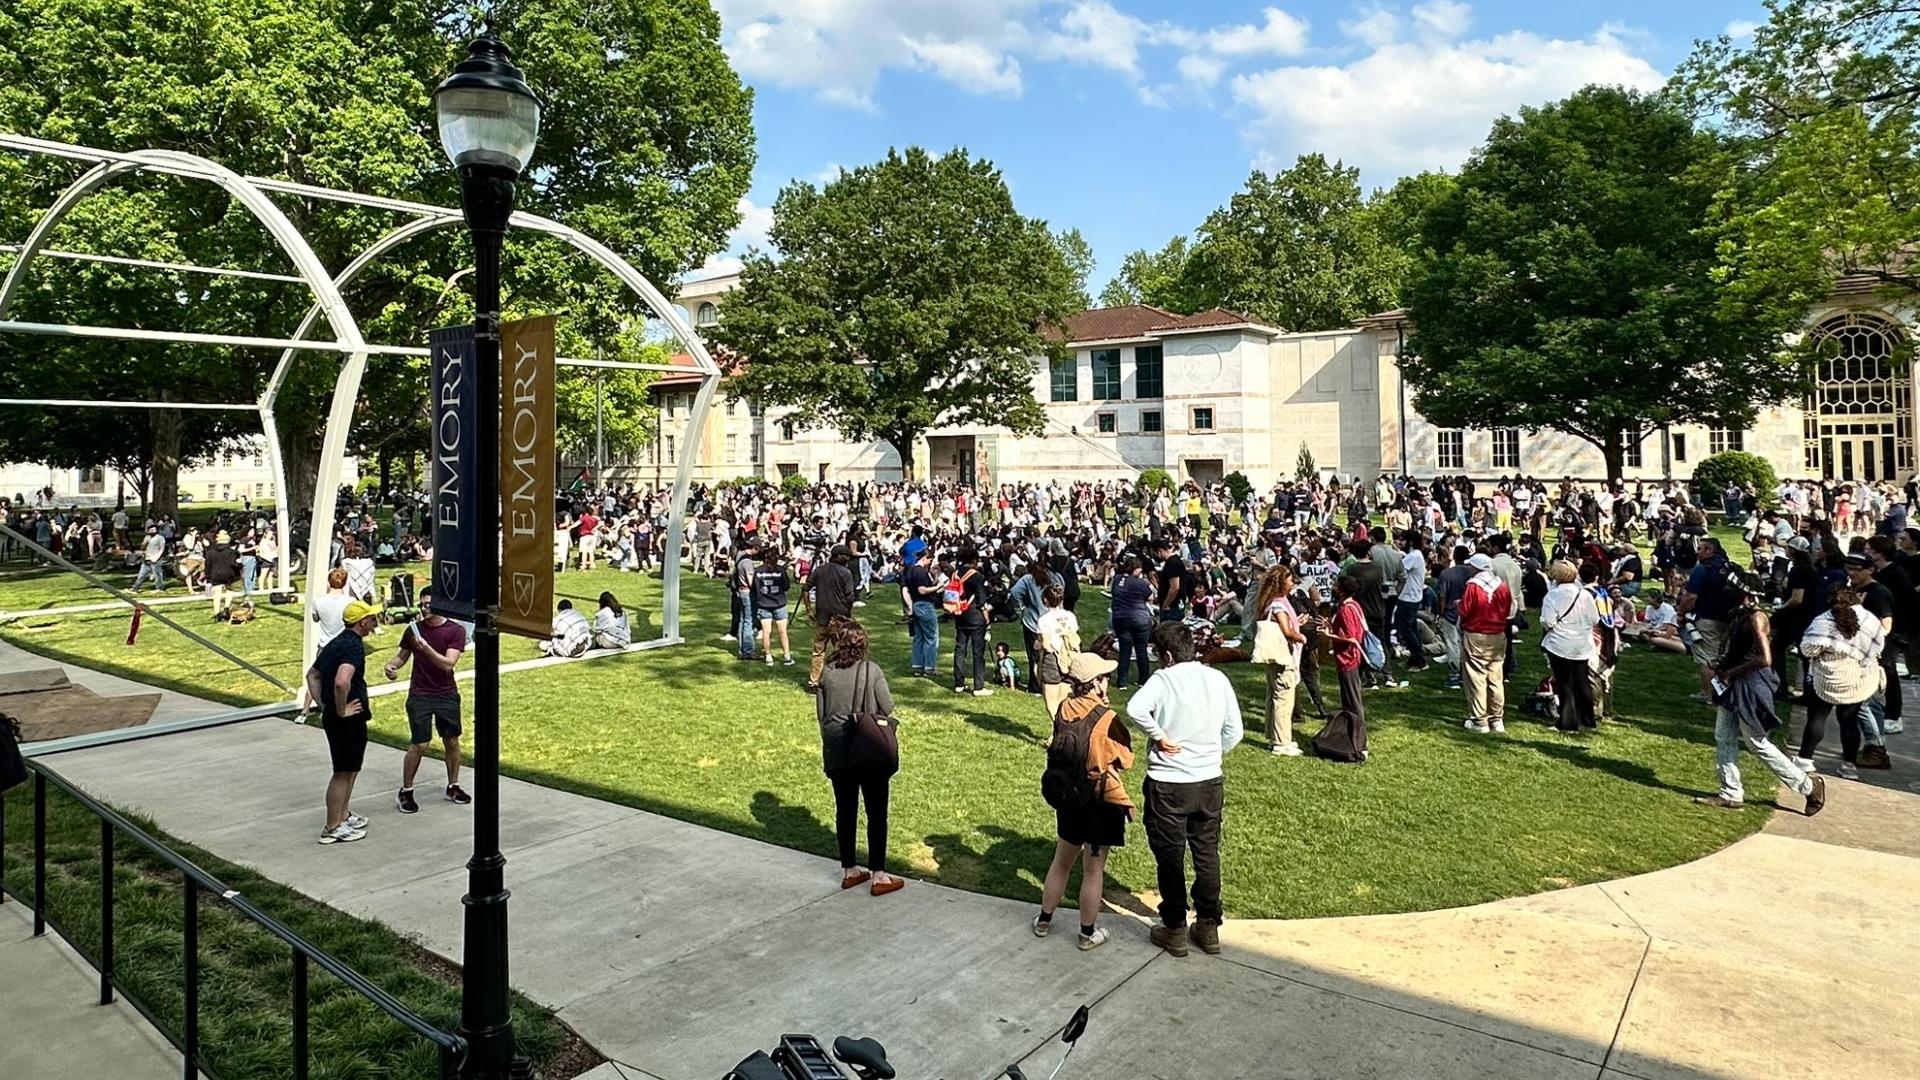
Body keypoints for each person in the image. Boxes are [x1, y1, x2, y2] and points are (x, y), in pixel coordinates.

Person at [1126, 621, 1243, 958]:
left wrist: (1159, 735)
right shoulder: (1217, 678)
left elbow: (1135, 708)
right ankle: (1208, 924)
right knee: (1207, 852)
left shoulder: (1163, 679)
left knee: (1170, 856)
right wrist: (1210, 752)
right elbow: (1234, 731)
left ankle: (1175, 926)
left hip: (1169, 783)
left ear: (1166, 654)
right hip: (1208, 781)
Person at [1697, 571, 1827, 816]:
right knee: (1723, 735)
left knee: (1757, 743)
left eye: (1732, 589)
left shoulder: (1756, 618)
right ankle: (1730, 792)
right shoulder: (1740, 615)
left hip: (1750, 686)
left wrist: (1730, 672)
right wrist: (1723, 664)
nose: (1727, 591)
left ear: (1744, 594)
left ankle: (1809, 786)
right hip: (1735, 682)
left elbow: (1764, 659)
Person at [1032, 651, 1133, 952]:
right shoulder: (1107, 718)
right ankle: (1087, 933)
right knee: (1093, 869)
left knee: (1061, 861)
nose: (1108, 682)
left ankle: (1044, 920)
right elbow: (1126, 758)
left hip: (1069, 796)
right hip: (1100, 800)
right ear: (1096, 683)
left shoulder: (1064, 708)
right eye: (1105, 677)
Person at [814, 621, 904, 896]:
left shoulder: (826, 674)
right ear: (863, 645)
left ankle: (849, 869)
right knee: (876, 812)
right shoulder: (872, 670)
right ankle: (879, 874)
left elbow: (821, 713)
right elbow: (887, 706)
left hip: (838, 750)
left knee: (845, 810)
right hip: (869, 749)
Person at [382, 591, 469, 814]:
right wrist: (391, 666)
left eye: (428, 604)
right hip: (420, 693)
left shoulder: (455, 631)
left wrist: (426, 648)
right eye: (421, 605)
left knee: (451, 740)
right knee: (420, 743)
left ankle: (453, 785)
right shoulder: (414, 630)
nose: (424, 609)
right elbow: (402, 655)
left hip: (446, 693)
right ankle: (407, 790)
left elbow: (448, 664)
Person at [307, 600, 381, 844]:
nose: (374, 621)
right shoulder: (353, 647)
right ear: (362, 622)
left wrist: (323, 705)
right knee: (342, 772)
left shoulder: (336, 642)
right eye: (371, 618)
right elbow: (342, 681)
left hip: (338, 716)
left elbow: (313, 675)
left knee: (351, 768)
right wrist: (341, 710)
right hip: (347, 719)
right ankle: (332, 826)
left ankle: (343, 815)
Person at [1797, 587, 1884, 780]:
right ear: (1857, 600)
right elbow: (1879, 646)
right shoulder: (1870, 620)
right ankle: (1849, 766)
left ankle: (1804, 760)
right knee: (1849, 721)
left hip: (1828, 677)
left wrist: (1827, 652)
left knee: (1817, 718)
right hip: (1857, 678)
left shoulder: (1823, 621)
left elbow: (1807, 649)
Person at [1252, 564, 1306, 756]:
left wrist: (1296, 623)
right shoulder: (1278, 605)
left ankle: (1275, 736)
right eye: (1290, 580)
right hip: (1283, 657)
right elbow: (1286, 630)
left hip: (1273, 656)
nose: (1292, 583)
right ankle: (1282, 742)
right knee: (1283, 698)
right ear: (1281, 582)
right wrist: (1300, 636)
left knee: (1273, 695)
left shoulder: (1270, 602)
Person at [1540, 560, 1599, 733]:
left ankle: (1568, 722)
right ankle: (1588, 718)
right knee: (1582, 682)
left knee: (1565, 684)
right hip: (1582, 643)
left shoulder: (1553, 595)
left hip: (1560, 644)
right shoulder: (1585, 594)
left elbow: (1548, 621)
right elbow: (1595, 619)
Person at [1678, 538, 1738, 700]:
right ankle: (1723, 690)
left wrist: (1681, 613)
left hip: (1707, 618)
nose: (1697, 552)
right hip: (1730, 620)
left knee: (1706, 657)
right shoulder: (1731, 567)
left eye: (1700, 549)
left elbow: (1691, 596)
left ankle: (1708, 694)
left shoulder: (1703, 569)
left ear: (1709, 551)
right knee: (1724, 656)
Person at [1457, 553, 1511, 733]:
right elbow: (1507, 610)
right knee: (1495, 677)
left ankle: (1480, 720)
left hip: (1476, 634)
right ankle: (1497, 718)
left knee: (1476, 677)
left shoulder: (1473, 586)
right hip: (1497, 634)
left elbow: (1465, 610)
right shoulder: (1502, 586)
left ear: (1476, 568)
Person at [806, 545, 857, 693]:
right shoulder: (846, 573)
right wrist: (849, 614)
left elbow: (805, 589)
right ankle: (837, 681)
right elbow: (850, 597)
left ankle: (813, 682)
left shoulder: (819, 570)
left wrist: (809, 609)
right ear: (838, 556)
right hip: (839, 620)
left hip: (821, 618)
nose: (848, 559)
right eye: (846, 556)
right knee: (841, 650)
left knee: (818, 651)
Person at [946, 548, 993, 695]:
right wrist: (987, 617)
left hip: (960, 613)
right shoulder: (976, 576)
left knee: (960, 649)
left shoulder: (955, 573)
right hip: (975, 615)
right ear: (974, 560)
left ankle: (959, 683)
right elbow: (981, 599)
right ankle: (978, 686)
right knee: (978, 652)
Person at [1109, 555, 1155, 690]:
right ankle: (1143, 679)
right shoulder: (1140, 583)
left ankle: (1122, 681)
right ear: (1136, 569)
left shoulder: (1117, 580)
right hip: (1139, 618)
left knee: (1124, 650)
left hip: (1120, 617)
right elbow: (1151, 597)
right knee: (1141, 649)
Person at [1035, 584, 1080, 718]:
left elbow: (1046, 644)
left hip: (1052, 659)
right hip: (1070, 658)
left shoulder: (1044, 620)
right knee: (1063, 700)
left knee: (1051, 703)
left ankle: (1057, 730)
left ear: (1045, 600)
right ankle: (1062, 729)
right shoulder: (1070, 616)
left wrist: (1037, 645)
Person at [900, 541, 941, 677]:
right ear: (925, 558)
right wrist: (938, 587)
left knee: (918, 637)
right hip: (925, 604)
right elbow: (922, 590)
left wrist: (910, 607)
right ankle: (929, 667)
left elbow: (905, 590)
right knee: (931, 637)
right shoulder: (921, 572)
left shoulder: (910, 570)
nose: (931, 563)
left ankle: (917, 666)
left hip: (916, 605)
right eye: (930, 560)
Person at [753, 548, 795, 667]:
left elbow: (755, 587)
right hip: (779, 603)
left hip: (764, 603)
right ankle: (787, 656)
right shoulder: (780, 571)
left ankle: (768, 657)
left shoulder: (758, 571)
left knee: (766, 632)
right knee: (783, 632)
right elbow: (786, 586)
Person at [1394, 530, 1429, 672]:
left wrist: (1395, 553)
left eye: (1402, 540)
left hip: (1408, 598)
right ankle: (1416, 658)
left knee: (1406, 630)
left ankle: (1419, 660)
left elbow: (1398, 570)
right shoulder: (1415, 555)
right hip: (1413, 597)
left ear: (1410, 542)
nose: (1399, 543)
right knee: (1412, 628)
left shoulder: (1413, 556)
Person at [203, 530, 240, 621]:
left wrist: (208, 576)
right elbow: (234, 564)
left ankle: (216, 613)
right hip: (229, 573)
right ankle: (226, 608)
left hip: (215, 574)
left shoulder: (210, 552)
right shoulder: (231, 552)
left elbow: (208, 565)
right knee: (230, 590)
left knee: (217, 594)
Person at [730, 542, 758, 660]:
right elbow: (750, 580)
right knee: (748, 621)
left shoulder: (739, 556)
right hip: (746, 592)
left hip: (739, 591)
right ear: (755, 548)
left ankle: (742, 648)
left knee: (742, 620)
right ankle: (748, 650)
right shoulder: (747, 562)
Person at [311, 568, 352, 645]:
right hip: (345, 645)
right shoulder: (351, 602)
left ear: (329, 582)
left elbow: (315, 619)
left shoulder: (317, 601)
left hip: (325, 644)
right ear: (345, 583)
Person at [132, 524, 169, 592]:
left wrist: (157, 557)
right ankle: (135, 588)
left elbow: (162, 549)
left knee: (157, 575)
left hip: (155, 559)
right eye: (151, 530)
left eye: (154, 530)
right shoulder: (147, 538)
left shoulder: (160, 538)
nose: (153, 531)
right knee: (141, 575)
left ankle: (160, 588)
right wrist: (145, 543)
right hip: (147, 559)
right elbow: (142, 547)